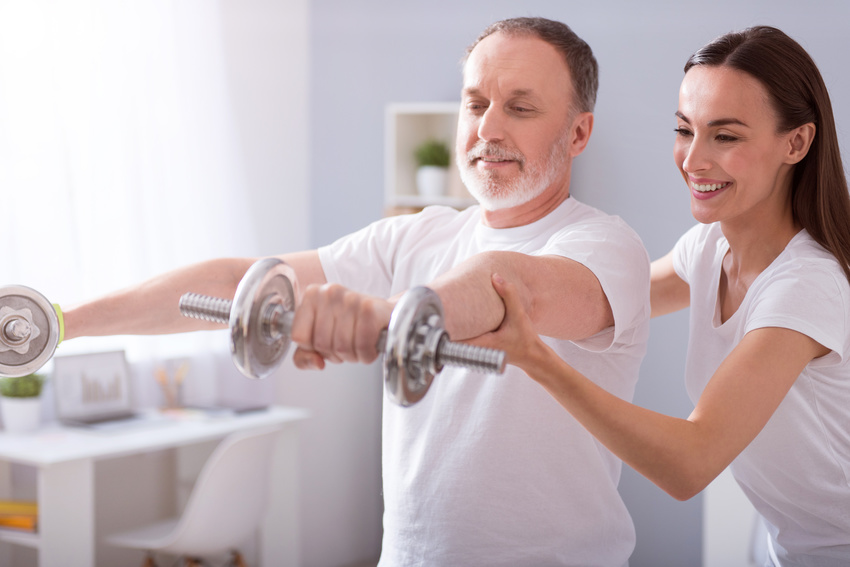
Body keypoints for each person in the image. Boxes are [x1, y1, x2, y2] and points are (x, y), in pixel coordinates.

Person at [63, 18, 650, 566]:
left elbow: (510, 285)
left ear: (578, 132)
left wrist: (382, 319)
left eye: (520, 108)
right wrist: (64, 323)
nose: (488, 129)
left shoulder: (605, 247)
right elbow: (236, 283)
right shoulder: (419, 235)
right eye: (475, 104)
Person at [479, 26, 850, 566]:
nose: (693, 159)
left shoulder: (805, 288)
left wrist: (536, 359)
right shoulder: (708, 248)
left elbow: (690, 463)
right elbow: (608, 300)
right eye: (684, 129)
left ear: (796, 143)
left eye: (726, 137)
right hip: (787, 547)